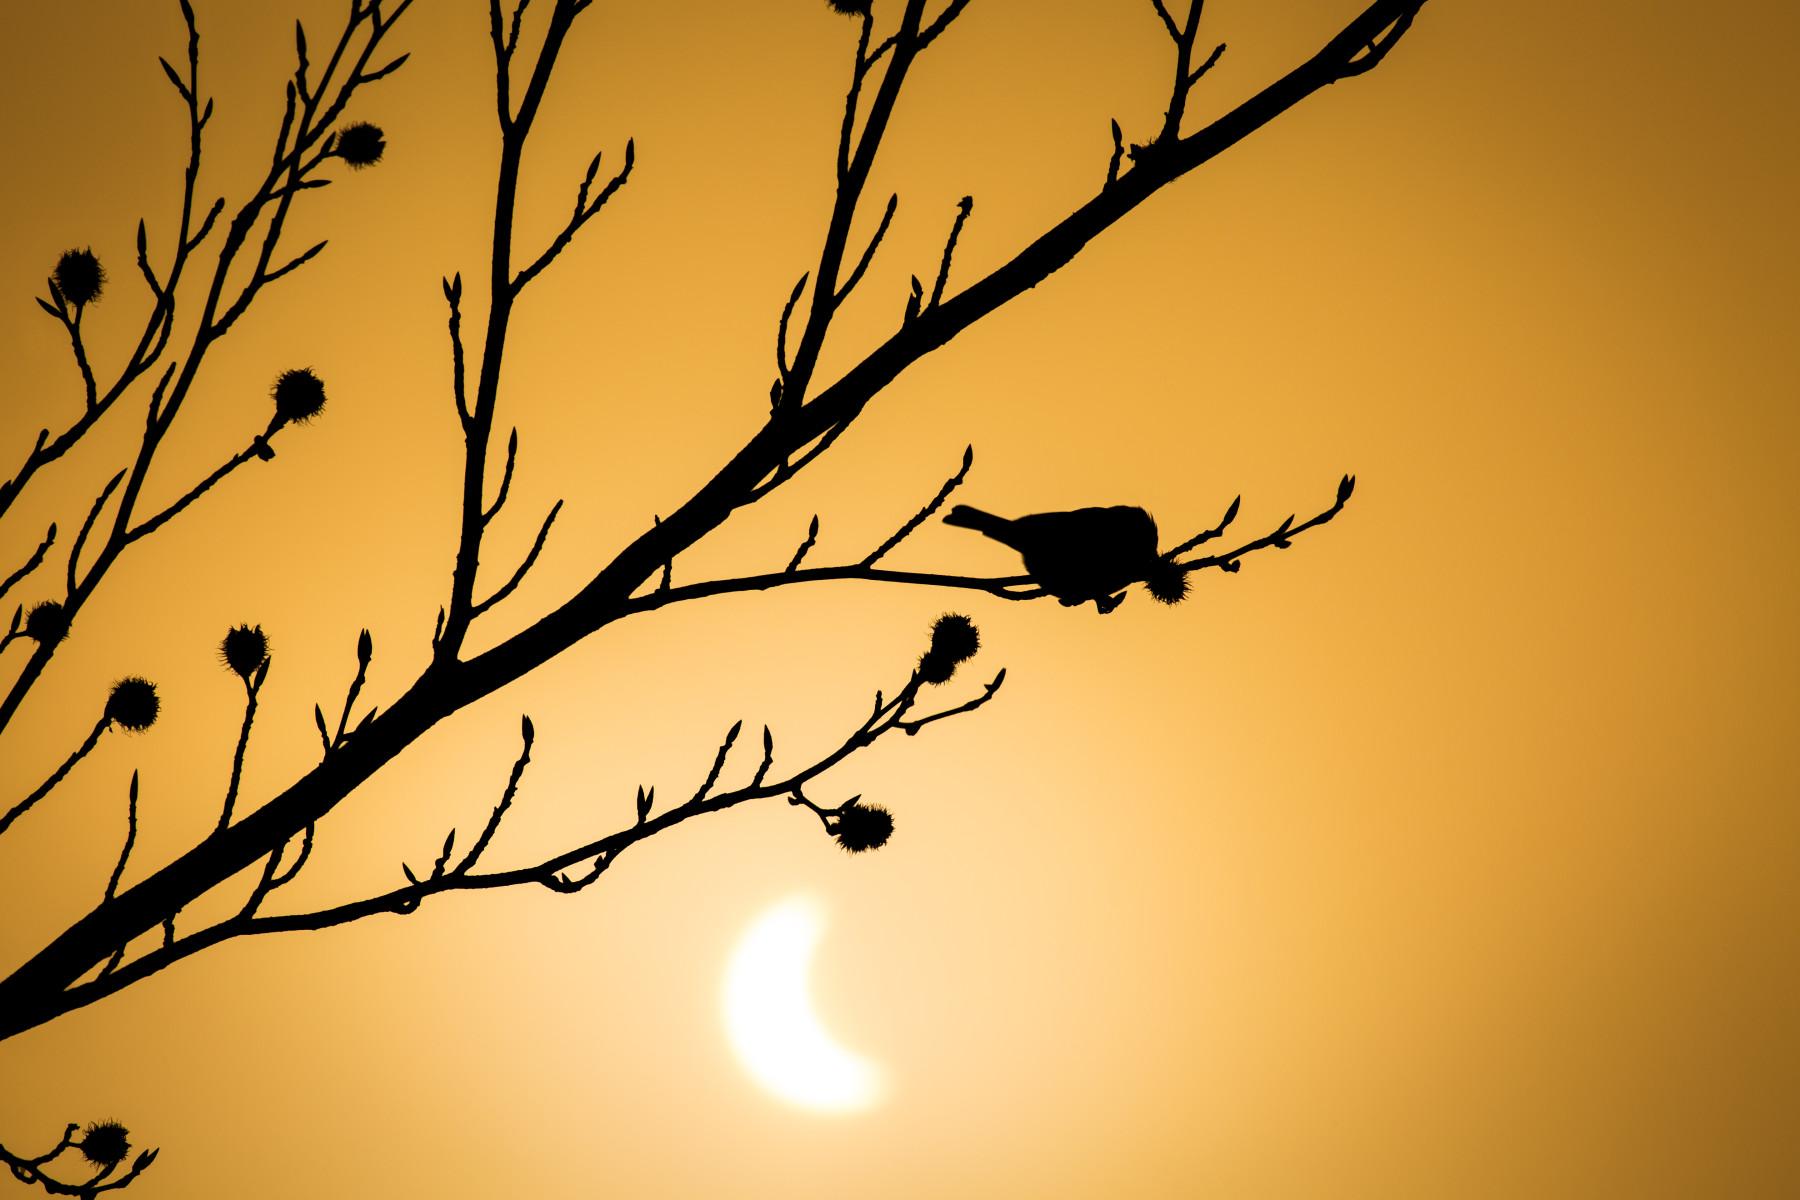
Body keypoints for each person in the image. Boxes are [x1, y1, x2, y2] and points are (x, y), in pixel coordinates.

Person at [943, 503, 1190, 613]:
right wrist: (1091, 594)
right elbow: (1086, 565)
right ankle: (985, 523)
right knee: (1008, 531)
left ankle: (984, 522)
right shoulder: (1104, 539)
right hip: (1045, 547)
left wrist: (1091, 595)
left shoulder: (1126, 557)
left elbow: (1088, 578)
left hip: (1045, 558)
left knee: (1006, 531)